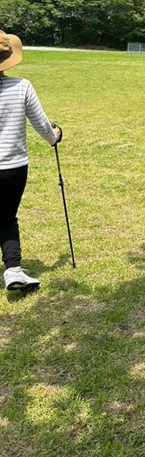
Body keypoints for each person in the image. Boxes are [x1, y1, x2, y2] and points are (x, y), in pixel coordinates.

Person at [0, 31, 62, 291]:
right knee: (6, 217)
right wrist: (55, 136)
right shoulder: (21, 86)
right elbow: (43, 125)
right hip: (13, 167)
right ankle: (13, 271)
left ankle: (14, 270)